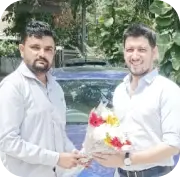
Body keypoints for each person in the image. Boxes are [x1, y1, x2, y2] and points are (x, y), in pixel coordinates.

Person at [93, 23, 180, 177]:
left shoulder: (167, 90)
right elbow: (117, 135)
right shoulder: (120, 90)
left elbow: (173, 145)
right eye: (129, 50)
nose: (134, 56)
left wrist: (127, 159)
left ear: (154, 53)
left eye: (142, 50)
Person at [0, 20, 85, 177]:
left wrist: (73, 153)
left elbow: (58, 132)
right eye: (35, 47)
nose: (42, 54)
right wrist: (56, 158)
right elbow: (7, 141)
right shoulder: (13, 87)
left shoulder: (56, 88)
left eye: (48, 49)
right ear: (22, 49)